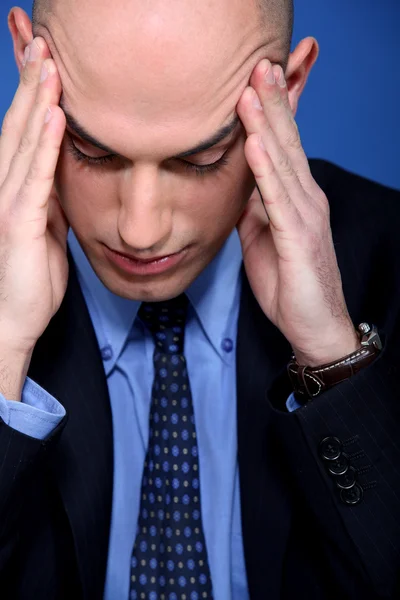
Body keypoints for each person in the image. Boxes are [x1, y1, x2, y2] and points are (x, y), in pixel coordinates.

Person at [0, 0, 399, 598]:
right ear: (30, 64)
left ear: (285, 92)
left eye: (200, 159)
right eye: (91, 151)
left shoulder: (389, 255)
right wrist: (4, 345)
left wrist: (331, 360)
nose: (139, 230)